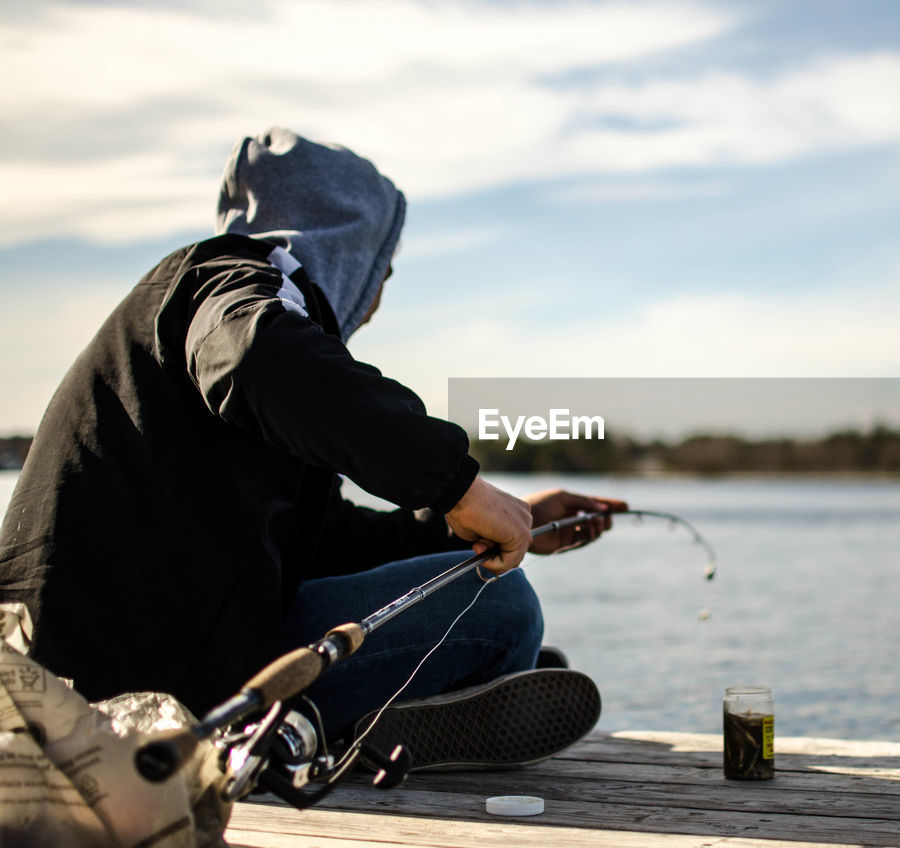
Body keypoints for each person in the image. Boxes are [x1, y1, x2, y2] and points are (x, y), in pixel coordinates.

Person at [0, 127, 625, 770]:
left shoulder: (213, 315)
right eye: (382, 265)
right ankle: (356, 721)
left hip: (140, 654)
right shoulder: (228, 289)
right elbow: (254, 359)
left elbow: (323, 541)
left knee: (483, 606)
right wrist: (458, 485)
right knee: (501, 608)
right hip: (136, 692)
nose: (379, 295)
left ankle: (426, 694)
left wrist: (473, 526)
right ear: (347, 248)